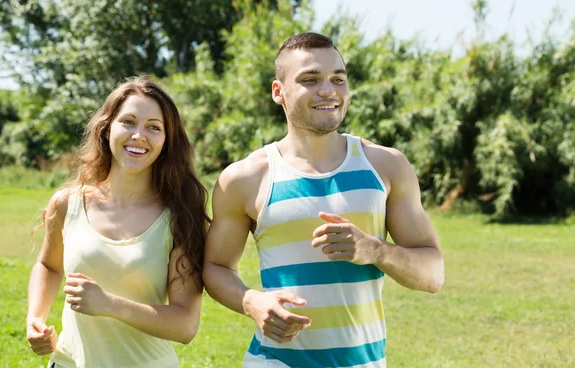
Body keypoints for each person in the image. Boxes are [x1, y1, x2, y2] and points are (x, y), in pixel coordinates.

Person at [203, 32, 445, 367]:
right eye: (310, 79)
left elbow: (433, 274)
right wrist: (251, 301)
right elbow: (215, 267)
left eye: (338, 79)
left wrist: (375, 250)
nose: (328, 91)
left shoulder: (386, 166)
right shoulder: (245, 178)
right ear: (279, 92)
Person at [26, 76, 209, 368]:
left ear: (166, 141)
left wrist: (109, 305)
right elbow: (48, 265)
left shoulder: (180, 217)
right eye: (128, 122)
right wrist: (35, 317)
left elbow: (185, 325)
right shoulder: (67, 203)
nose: (139, 135)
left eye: (153, 127)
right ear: (107, 127)